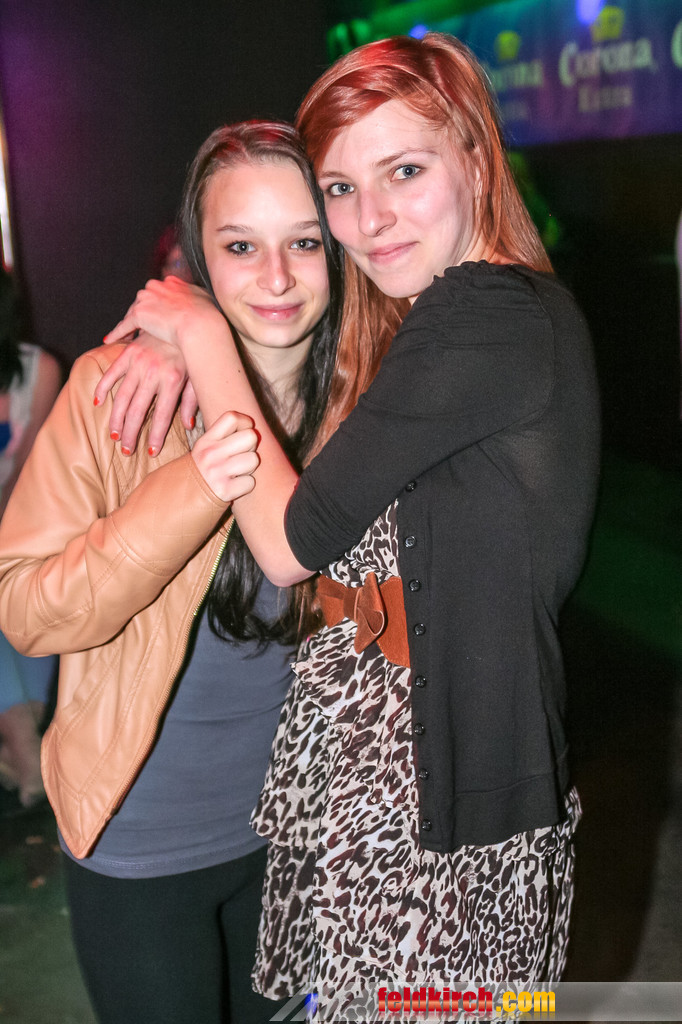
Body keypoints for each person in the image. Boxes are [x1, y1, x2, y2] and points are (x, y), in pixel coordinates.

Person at [97, 32, 600, 1020]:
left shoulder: (487, 314)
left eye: (404, 171)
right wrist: (186, 343)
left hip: (444, 820)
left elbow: (289, 542)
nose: (368, 220)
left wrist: (198, 332)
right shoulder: (433, 323)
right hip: (382, 794)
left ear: (474, 158)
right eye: (340, 188)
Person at [0, 120, 343, 1024]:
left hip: (300, 839)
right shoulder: (116, 390)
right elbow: (26, 609)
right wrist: (194, 486)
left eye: (305, 242)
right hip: (142, 844)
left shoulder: (364, 404)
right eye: (241, 246)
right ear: (197, 259)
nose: (277, 277)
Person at [0, 266, 61, 810]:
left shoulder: (37, 368)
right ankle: (26, 751)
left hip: (22, 524)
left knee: (28, 586)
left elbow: (28, 475)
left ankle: (26, 748)